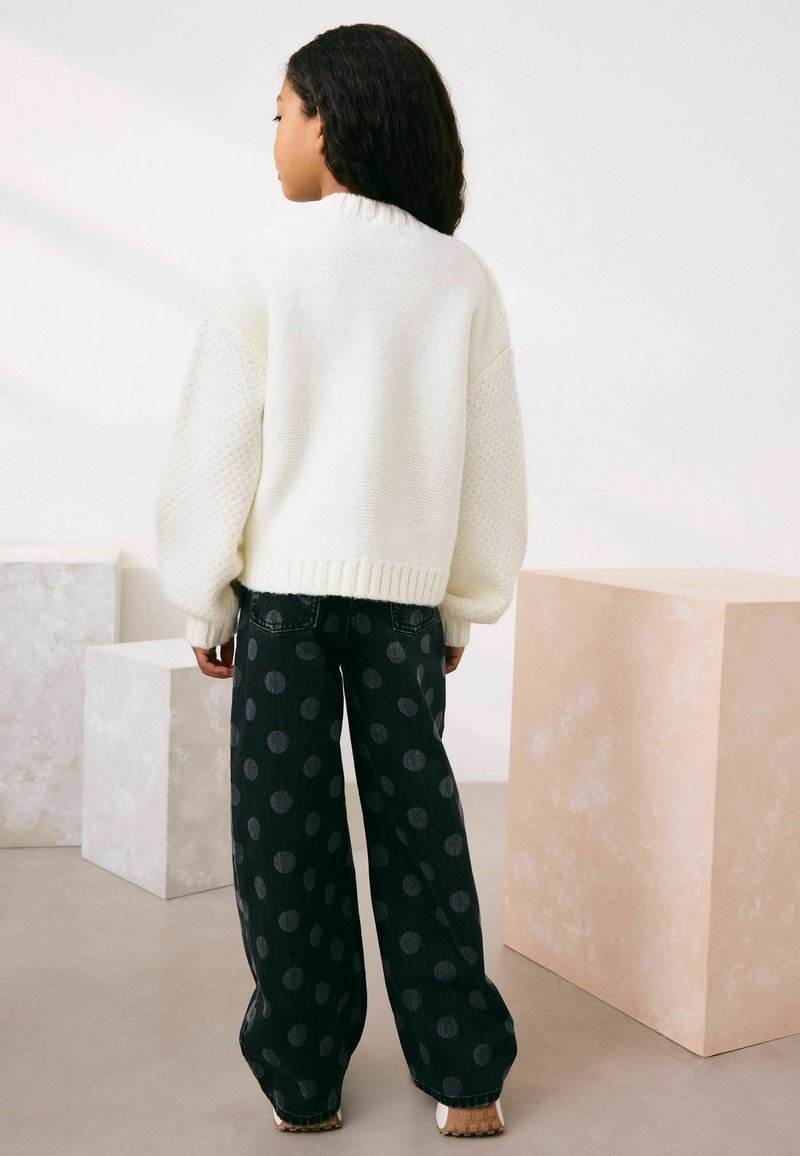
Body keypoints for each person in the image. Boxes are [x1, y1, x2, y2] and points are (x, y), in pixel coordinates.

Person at [154, 22, 527, 1138]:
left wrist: (206, 593)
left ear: (330, 121)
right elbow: (489, 464)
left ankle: (304, 1078)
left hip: (283, 607)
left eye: (281, 113)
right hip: (404, 606)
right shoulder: (459, 277)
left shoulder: (266, 265)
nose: (273, 135)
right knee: (421, 827)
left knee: (286, 841)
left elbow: (218, 446)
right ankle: (466, 1076)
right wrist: (461, 602)